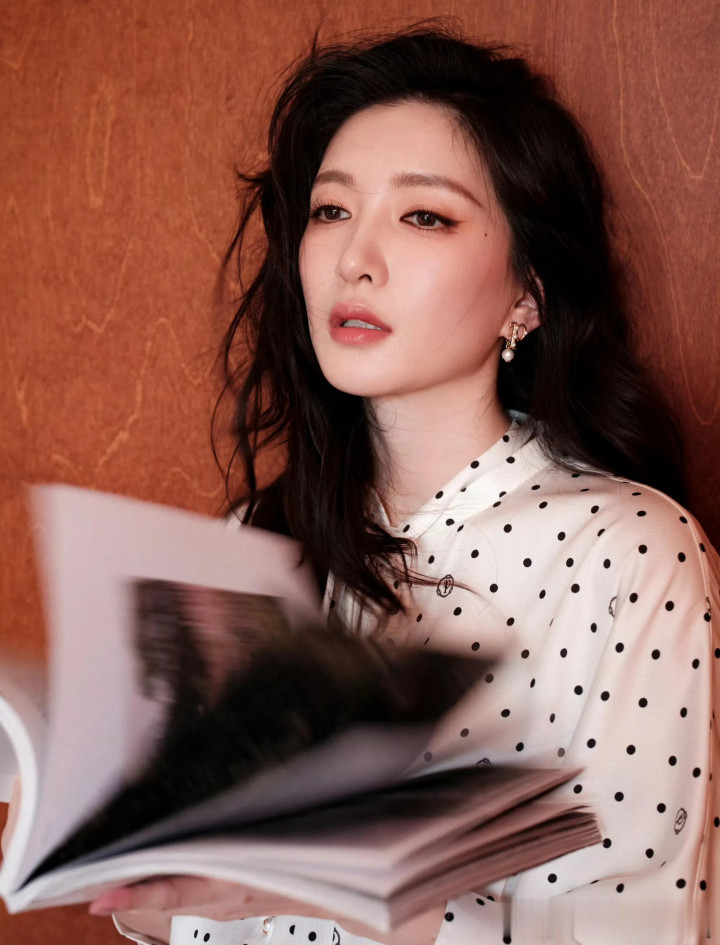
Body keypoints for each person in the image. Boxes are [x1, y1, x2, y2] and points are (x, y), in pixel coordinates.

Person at [11, 17, 720, 945]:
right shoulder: (257, 540)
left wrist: (330, 882)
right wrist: (141, 881)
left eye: (424, 216)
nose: (355, 258)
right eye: (332, 211)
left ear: (527, 293)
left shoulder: (632, 556)